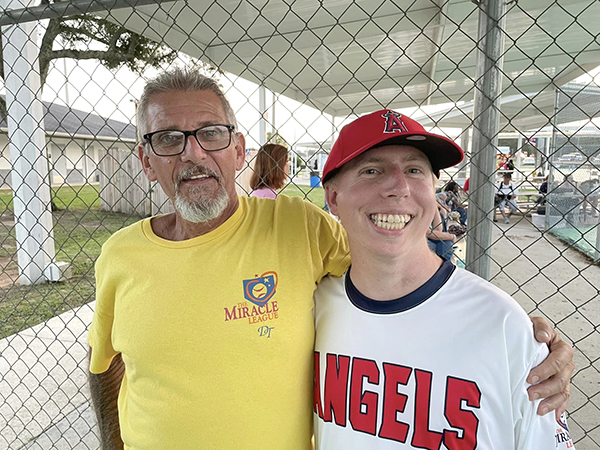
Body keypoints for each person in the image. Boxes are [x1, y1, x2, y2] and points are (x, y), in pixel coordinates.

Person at [87, 68, 574, 449]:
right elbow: (106, 362)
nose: (193, 153)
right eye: (168, 138)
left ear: (238, 150)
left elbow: (393, 267)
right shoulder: (120, 256)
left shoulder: (300, 227)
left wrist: (515, 335)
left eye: (211, 133)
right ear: (146, 160)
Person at [314, 110, 576, 449]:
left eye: (414, 170)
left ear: (433, 189)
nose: (398, 186)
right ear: (333, 198)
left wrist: (529, 345)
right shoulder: (313, 308)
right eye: (371, 170)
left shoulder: (505, 326)